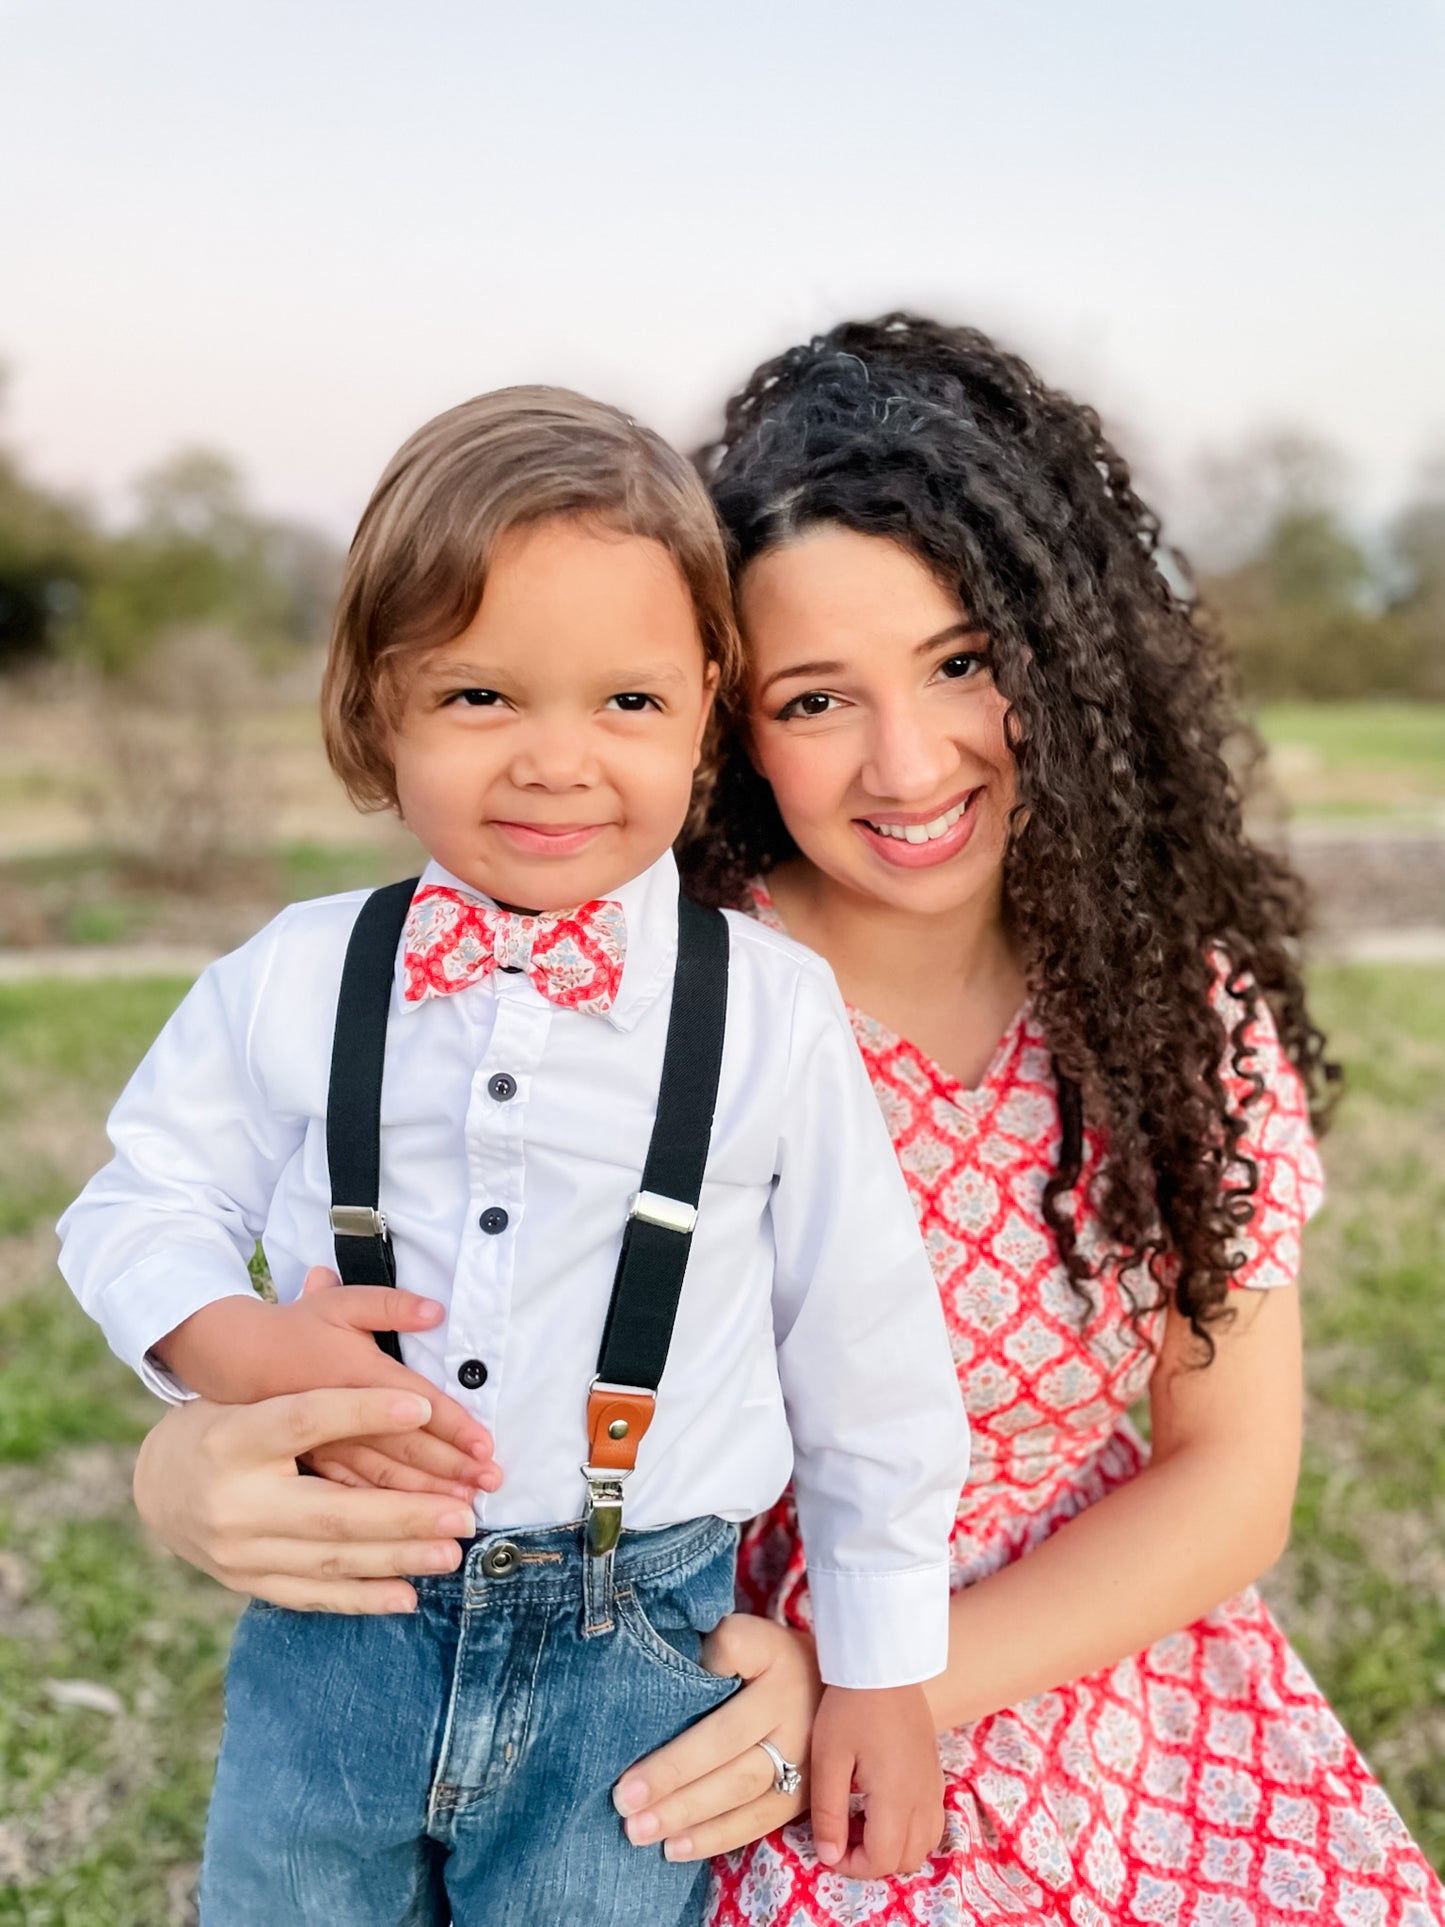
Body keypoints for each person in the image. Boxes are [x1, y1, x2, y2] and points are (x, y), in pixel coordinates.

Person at [127, 319, 1445, 1927]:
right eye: (818, 698)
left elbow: (1229, 1478)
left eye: (963, 663)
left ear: (1066, 654)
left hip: (1080, 1677)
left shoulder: (1176, 1009)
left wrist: (868, 1674)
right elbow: (356, 1267)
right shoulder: (638, 977)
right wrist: (185, 1456)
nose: (909, 761)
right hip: (687, 1704)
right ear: (725, 712)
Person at [58, 385, 968, 1926]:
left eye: (624, 704)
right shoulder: (297, 972)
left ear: (703, 716)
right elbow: (140, 1198)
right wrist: (236, 1344)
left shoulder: (762, 1008)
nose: (554, 761)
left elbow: (863, 1347)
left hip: (636, 1650)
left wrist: (884, 1668)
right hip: (340, 1620)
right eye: (481, 698)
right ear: (377, 707)